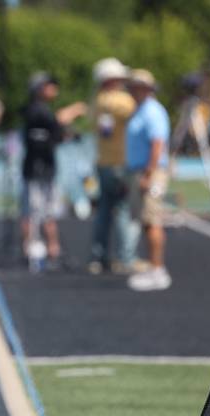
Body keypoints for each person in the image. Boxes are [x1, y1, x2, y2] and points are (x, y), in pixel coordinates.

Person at [20, 72, 87, 267]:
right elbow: (56, 121)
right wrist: (75, 110)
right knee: (32, 211)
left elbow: (56, 132)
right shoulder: (35, 110)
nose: (53, 90)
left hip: (47, 169)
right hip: (34, 170)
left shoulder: (43, 112)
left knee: (48, 212)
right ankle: (31, 248)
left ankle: (52, 249)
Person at [88, 58, 139, 275]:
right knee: (124, 210)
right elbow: (136, 109)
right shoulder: (119, 101)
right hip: (119, 163)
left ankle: (99, 257)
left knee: (105, 211)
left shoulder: (97, 101)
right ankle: (126, 258)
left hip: (103, 162)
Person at [125, 69, 172, 291]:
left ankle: (157, 268)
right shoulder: (140, 110)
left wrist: (148, 173)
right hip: (140, 170)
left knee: (152, 219)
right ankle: (153, 266)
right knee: (145, 220)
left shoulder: (152, 111)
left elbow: (157, 143)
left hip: (149, 172)